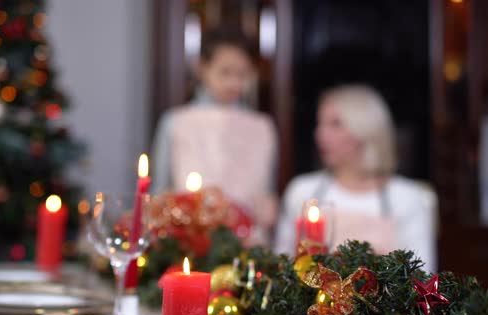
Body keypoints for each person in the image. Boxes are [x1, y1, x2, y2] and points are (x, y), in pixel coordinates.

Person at [274, 84, 437, 272]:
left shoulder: (405, 197)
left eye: (336, 124)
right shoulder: (302, 190)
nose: (320, 134)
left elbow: (423, 274)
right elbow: (282, 263)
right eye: (320, 123)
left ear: (366, 130)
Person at [151, 27, 278, 246]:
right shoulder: (177, 121)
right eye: (225, 72)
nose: (234, 84)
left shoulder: (262, 127)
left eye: (243, 74)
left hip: (248, 243)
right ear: (201, 67)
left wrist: (269, 209)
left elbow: (267, 191)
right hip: (190, 240)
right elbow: (160, 190)